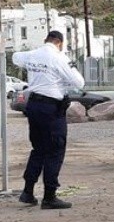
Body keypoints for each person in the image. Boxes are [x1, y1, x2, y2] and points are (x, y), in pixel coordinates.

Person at [12, 30, 85, 209]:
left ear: (47, 40)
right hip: (51, 109)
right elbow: (79, 82)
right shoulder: (59, 57)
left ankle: (27, 192)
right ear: (59, 42)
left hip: (34, 105)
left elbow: (15, 57)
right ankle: (49, 196)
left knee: (38, 149)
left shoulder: (32, 55)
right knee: (55, 149)